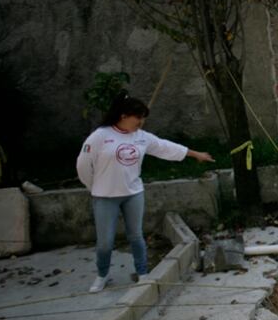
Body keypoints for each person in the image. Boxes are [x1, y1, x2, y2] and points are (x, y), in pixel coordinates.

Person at [76, 92, 214, 293]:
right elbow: (83, 166)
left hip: (133, 193)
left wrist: (194, 154)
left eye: (143, 118)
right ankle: (102, 275)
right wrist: (94, 187)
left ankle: (142, 273)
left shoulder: (141, 137)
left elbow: (165, 147)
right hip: (105, 197)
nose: (141, 122)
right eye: (138, 117)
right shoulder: (100, 136)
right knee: (105, 242)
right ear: (123, 116)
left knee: (136, 236)